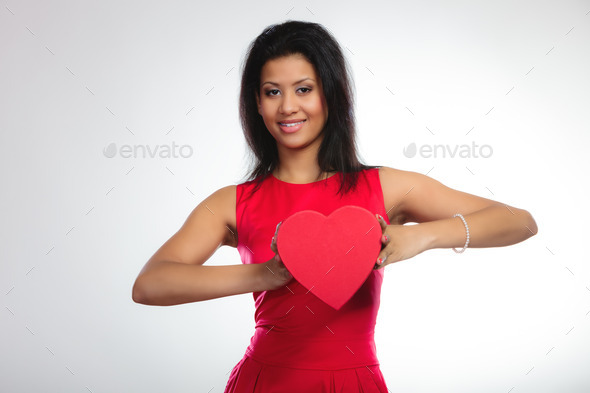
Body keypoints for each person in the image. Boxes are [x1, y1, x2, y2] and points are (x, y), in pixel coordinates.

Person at [132, 20, 538, 392]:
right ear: (256, 103)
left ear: (331, 93)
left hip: (355, 382)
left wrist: (422, 236)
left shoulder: (386, 186)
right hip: (265, 381)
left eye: (304, 89)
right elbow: (149, 285)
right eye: (273, 92)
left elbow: (519, 222)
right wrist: (265, 274)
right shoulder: (232, 202)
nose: (288, 106)